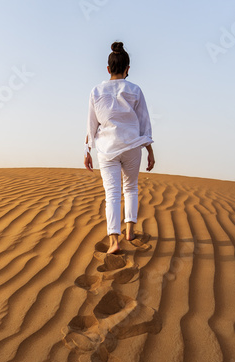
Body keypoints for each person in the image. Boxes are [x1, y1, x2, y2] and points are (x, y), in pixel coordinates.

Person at [84, 41, 155, 254]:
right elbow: (144, 122)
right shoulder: (135, 90)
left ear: (108, 69)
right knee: (131, 187)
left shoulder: (96, 91)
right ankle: (130, 230)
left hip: (106, 148)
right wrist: (150, 150)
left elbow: (91, 124)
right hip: (132, 146)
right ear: (127, 69)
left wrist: (87, 149)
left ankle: (114, 241)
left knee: (112, 193)